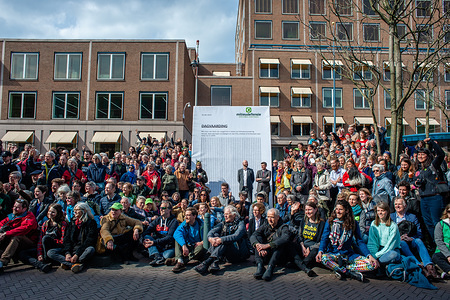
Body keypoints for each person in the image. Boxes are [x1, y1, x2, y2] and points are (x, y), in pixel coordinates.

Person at [316, 200, 378, 282]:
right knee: (324, 259)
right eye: (336, 209)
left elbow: (359, 241)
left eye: (340, 209)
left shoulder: (353, 223)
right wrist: (320, 251)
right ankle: (349, 272)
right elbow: (325, 238)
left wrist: (369, 255)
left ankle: (341, 269)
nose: (338, 211)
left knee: (372, 265)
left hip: (348, 255)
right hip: (333, 253)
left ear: (347, 210)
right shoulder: (330, 222)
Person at [194, 205, 250, 275]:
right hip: (227, 254)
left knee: (225, 241)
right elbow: (212, 231)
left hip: (239, 254)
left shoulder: (240, 224)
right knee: (215, 236)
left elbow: (236, 236)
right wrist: (210, 238)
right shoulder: (223, 223)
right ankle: (214, 263)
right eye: (224, 214)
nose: (225, 216)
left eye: (227, 214)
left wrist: (221, 239)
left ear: (234, 215)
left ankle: (207, 262)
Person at [391, 197, 438, 279]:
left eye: (399, 204)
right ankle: (418, 265)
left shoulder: (412, 217)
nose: (397, 206)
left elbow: (419, 233)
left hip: (410, 240)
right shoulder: (391, 217)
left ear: (405, 206)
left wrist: (411, 238)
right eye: (396, 204)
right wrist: (399, 238)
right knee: (402, 243)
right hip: (399, 242)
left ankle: (429, 266)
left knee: (418, 241)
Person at [47, 202, 97, 273]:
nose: (75, 212)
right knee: (51, 252)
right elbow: (66, 239)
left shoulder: (91, 223)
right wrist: (67, 253)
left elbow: (89, 240)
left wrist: (77, 254)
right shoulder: (72, 223)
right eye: (74, 210)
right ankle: (75, 264)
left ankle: (71, 263)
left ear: (84, 211)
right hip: (72, 249)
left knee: (90, 249)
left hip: (82, 249)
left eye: (77, 210)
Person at [19, 203, 67, 273]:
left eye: (53, 212)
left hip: (55, 248)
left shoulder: (62, 224)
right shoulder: (45, 224)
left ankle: (47, 261)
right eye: (49, 211)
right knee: (22, 253)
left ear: (58, 213)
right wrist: (39, 254)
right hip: (43, 250)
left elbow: (63, 241)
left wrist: (52, 240)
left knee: (46, 238)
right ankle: (40, 264)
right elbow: (40, 240)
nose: (50, 213)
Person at [414, 138, 446, 239]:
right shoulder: (418, 169)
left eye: (423, 154)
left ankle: (443, 244)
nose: (420, 156)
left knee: (436, 222)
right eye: (419, 154)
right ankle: (436, 244)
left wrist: (431, 142)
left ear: (428, 156)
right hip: (423, 198)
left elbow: (441, 154)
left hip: (435, 197)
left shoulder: (433, 165)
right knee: (428, 223)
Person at [250, 208, 290, 281]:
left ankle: (270, 268)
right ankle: (260, 266)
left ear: (277, 217)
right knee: (257, 241)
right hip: (266, 253)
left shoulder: (283, 227)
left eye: (272, 217)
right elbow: (254, 235)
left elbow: (285, 238)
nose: (270, 219)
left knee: (279, 245)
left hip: (279, 256)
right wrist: (258, 245)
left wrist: (267, 245)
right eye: (268, 217)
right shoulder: (265, 225)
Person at [0, 199, 38, 271]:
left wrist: (6, 233)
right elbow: (2, 223)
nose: (14, 209)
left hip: (28, 242)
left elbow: (23, 229)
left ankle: (3, 261)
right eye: (14, 206)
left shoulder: (29, 217)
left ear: (24, 209)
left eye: (17, 207)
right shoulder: (13, 215)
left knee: (17, 236)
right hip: (13, 241)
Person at [291, 201, 325, 276]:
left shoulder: (321, 223)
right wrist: (302, 246)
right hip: (303, 246)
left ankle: (301, 265)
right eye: (306, 210)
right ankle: (304, 266)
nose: (307, 212)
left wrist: (310, 248)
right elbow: (300, 235)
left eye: (310, 210)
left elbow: (322, 241)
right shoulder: (304, 221)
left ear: (315, 210)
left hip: (314, 247)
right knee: (291, 246)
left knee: (315, 251)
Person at [171, 207, 207, 273]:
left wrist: (202, 242)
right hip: (187, 246)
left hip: (197, 248)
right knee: (178, 239)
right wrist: (184, 245)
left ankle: (181, 261)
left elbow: (208, 236)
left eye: (188, 215)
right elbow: (177, 233)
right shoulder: (184, 224)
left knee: (202, 247)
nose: (186, 217)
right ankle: (180, 260)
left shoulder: (201, 224)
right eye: (186, 215)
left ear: (194, 216)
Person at [142, 200, 178, 266]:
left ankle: (155, 255)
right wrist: (144, 241)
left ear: (169, 210)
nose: (161, 210)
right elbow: (148, 231)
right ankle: (158, 257)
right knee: (147, 237)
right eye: (160, 208)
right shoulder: (158, 220)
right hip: (158, 245)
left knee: (167, 255)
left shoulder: (174, 221)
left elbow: (169, 237)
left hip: (168, 246)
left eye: (163, 208)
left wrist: (154, 242)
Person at [367, 202, 401, 268]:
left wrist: (376, 256)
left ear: (387, 212)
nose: (380, 213)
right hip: (378, 250)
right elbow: (372, 242)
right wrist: (373, 256)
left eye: (382, 211)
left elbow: (390, 246)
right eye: (378, 211)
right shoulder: (373, 224)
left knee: (394, 254)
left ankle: (377, 264)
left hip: (390, 250)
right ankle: (378, 264)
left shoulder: (393, 226)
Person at [432, 204, 450, 279]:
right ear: (446, 212)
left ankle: (446, 274)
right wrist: (448, 255)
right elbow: (438, 241)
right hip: (444, 251)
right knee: (435, 257)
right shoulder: (440, 224)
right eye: (449, 211)